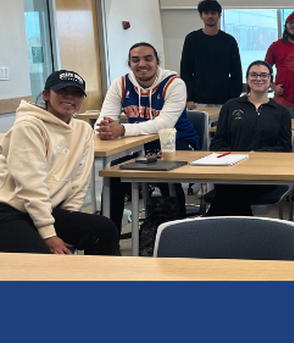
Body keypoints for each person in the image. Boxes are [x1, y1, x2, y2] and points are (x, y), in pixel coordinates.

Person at [95, 42, 200, 252]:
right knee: (113, 175)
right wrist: (105, 128)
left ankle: (175, 238)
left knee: (163, 175)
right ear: (129, 63)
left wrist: (123, 130)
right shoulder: (120, 84)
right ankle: (109, 240)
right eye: (135, 60)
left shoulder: (174, 83)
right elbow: (104, 120)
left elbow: (164, 124)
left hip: (177, 142)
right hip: (139, 146)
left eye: (148, 59)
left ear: (157, 62)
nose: (142, 64)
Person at [0, 70, 117, 255]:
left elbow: (79, 182)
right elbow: (32, 186)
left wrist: (69, 220)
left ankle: (99, 283)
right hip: (11, 209)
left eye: (77, 92)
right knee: (44, 259)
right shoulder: (28, 127)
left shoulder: (83, 130)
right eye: (62, 90)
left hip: (49, 209)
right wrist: (49, 235)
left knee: (104, 230)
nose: (69, 96)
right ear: (46, 94)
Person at [206, 60, 293, 216]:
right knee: (233, 188)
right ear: (247, 79)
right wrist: (235, 158)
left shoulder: (281, 112)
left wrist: (255, 156)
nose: (258, 78)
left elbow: (285, 148)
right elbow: (218, 141)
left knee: (232, 192)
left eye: (264, 75)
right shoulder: (231, 106)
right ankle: (244, 235)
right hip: (230, 170)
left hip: (265, 173)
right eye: (253, 75)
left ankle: (212, 229)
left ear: (270, 80)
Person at [180, 0, 243, 108]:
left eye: (213, 13)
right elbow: (186, 72)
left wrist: (233, 98)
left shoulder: (229, 41)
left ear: (219, 16)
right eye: (206, 13)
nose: (210, 16)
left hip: (225, 100)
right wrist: (189, 98)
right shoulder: (192, 39)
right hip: (198, 100)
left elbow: (236, 72)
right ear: (201, 16)